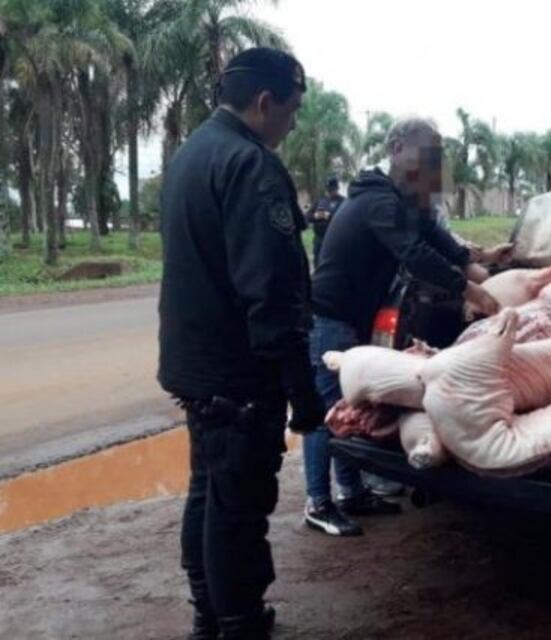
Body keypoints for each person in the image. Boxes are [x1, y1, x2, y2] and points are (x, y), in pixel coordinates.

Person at [158, 48, 321, 639]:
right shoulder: (251, 166)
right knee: (239, 507)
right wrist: (302, 393)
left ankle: (211, 614)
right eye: (293, 110)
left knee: (208, 491)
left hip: (196, 366)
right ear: (264, 102)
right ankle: (240, 622)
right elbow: (273, 294)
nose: (293, 124)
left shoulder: (190, 154)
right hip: (239, 373)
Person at [302, 117, 504, 537]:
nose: (430, 166)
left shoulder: (410, 203)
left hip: (357, 319)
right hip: (330, 317)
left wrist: (492, 270)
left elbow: (445, 246)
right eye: (423, 154)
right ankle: (318, 502)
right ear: (396, 149)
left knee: (353, 410)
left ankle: (351, 492)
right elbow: (414, 254)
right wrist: (473, 293)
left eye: (435, 157)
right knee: (329, 412)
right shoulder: (377, 199)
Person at [307, 176, 344, 266]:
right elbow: (307, 216)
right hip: (319, 238)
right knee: (317, 262)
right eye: (329, 190)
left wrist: (329, 216)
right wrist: (315, 216)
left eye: (332, 189)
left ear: (337, 188)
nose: (330, 192)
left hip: (334, 238)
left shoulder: (343, 201)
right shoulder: (320, 200)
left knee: (332, 263)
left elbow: (344, 220)